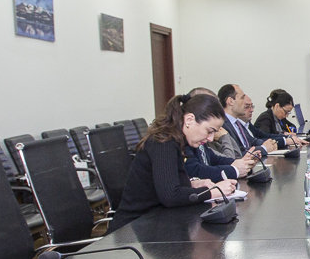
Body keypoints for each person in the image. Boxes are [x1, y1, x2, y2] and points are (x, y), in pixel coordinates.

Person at [110, 93, 237, 232]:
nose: (211, 139)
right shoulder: (164, 143)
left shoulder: (176, 141)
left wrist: (192, 184)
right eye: (209, 131)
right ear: (189, 119)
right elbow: (171, 196)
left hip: (153, 222)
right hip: (132, 229)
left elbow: (165, 184)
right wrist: (212, 192)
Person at [217, 84, 278, 158]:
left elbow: (252, 141)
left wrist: (270, 144)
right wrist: (264, 148)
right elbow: (236, 153)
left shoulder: (237, 123)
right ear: (231, 101)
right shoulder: (221, 125)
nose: (244, 102)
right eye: (242, 98)